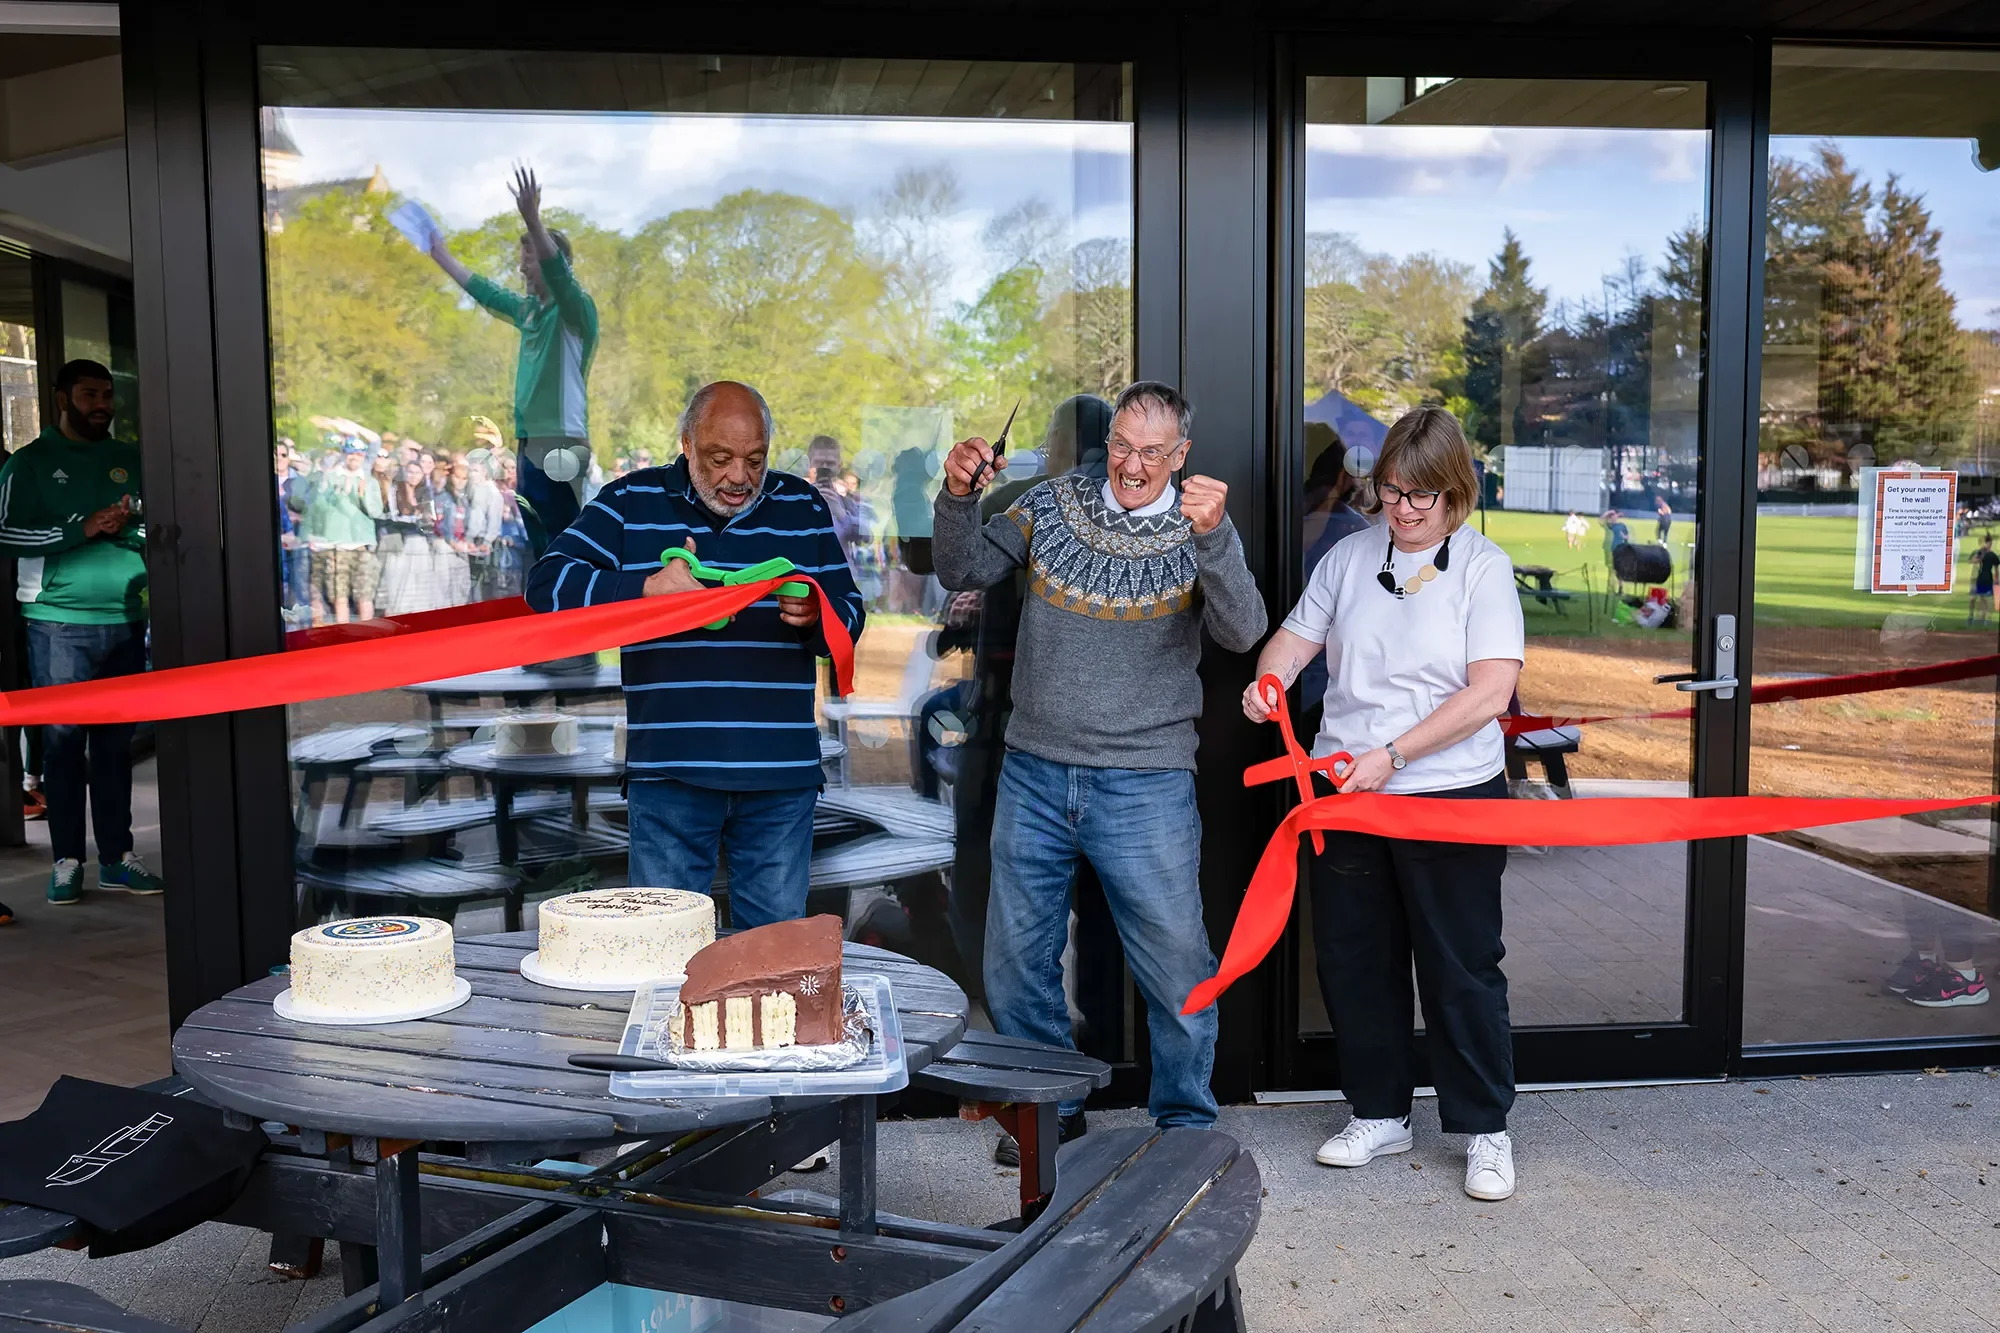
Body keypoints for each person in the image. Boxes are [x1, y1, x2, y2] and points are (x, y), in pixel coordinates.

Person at [933, 381, 1267, 1141]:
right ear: (1107, 439)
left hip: (1145, 778)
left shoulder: (1199, 524)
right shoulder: (1051, 503)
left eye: (1153, 451)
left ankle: (1184, 1125)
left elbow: (1245, 631)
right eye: (1122, 444)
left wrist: (1215, 539)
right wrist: (956, 495)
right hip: (1036, 770)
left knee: (1177, 965)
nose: (1132, 463)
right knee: (1016, 968)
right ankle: (1053, 1120)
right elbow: (962, 568)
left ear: (1180, 456)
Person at [1243, 405, 1524, 1202]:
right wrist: (1271, 680)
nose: (1402, 509)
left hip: (1449, 791)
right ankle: (1379, 1112)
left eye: (1420, 497)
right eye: (1392, 491)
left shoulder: (1483, 568)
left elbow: (1490, 692)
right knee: (1355, 957)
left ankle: (1484, 1128)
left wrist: (1395, 755)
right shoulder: (1348, 557)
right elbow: (1295, 639)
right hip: (1349, 792)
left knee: (1461, 963)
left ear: (1454, 495)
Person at [525, 381, 865, 927]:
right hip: (670, 776)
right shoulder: (629, 502)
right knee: (664, 951)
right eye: (720, 458)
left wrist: (815, 620)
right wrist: (644, 591)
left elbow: (850, 613)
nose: (739, 477)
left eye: (755, 460)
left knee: (771, 956)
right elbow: (545, 587)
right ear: (686, 444)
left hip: (779, 777)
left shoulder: (801, 506)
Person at [0, 360, 166, 904]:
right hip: (57, 622)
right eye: (90, 394)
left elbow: (156, 523)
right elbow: (7, 532)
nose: (102, 404)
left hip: (125, 617)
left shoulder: (129, 459)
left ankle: (118, 858)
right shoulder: (29, 464)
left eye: (107, 395)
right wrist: (82, 527)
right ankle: (67, 860)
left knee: (115, 748)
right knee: (64, 746)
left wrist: (130, 528)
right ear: (61, 399)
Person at [429, 166, 598, 558]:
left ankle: (577, 612)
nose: (523, 268)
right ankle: (547, 612)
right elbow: (485, 292)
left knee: (566, 543)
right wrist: (441, 255)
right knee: (539, 543)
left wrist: (532, 218)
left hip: (563, 440)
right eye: (522, 260)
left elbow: (558, 273)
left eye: (531, 259)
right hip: (528, 442)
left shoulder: (575, 311)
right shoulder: (528, 312)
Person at [306, 439, 384, 624]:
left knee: (364, 597)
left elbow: (376, 512)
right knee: (339, 598)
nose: (354, 458)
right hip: (337, 546)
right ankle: (344, 639)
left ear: (363, 457)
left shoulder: (369, 481)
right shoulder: (331, 477)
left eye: (358, 455)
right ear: (344, 454)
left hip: (361, 545)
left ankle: (368, 638)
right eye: (351, 453)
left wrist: (363, 495)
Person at [1969, 535, 1998, 626]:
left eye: (1989, 543)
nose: (1988, 544)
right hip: (1977, 578)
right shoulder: (1979, 552)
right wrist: (1979, 557)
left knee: (1985, 599)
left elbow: (1996, 569)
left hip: (1987, 579)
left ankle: (1984, 619)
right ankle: (1971, 616)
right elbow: (1971, 561)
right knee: (1973, 599)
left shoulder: (1993, 555)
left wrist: (1997, 580)